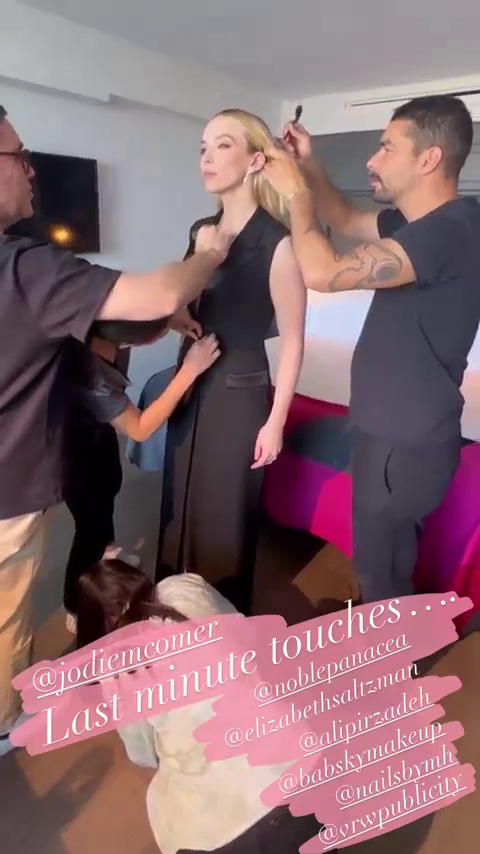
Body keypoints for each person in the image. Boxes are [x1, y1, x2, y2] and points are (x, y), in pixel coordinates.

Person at [0, 103, 231, 752]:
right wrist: (206, 257)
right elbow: (143, 419)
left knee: (90, 535)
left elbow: (140, 318)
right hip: (22, 490)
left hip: (62, 475)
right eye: (19, 156)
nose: (31, 170)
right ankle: (8, 717)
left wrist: (166, 321)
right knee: (17, 605)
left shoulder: (63, 328)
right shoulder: (31, 274)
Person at [262, 94, 480, 604]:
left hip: (403, 439)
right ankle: (382, 627)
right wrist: (309, 165)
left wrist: (295, 193)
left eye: (386, 147)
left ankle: (388, 649)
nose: (371, 159)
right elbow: (342, 216)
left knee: (382, 576)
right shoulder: (418, 226)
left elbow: (323, 272)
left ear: (429, 159)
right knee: (380, 562)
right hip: (390, 428)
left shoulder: (451, 230)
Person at [156, 108, 306, 614]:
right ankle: (169, 615)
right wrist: (180, 314)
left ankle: (222, 627)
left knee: (224, 515)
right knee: (178, 502)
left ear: (255, 160)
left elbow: (293, 338)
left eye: (222, 145)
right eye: (203, 147)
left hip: (239, 394)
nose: (207, 157)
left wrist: (276, 421)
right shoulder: (202, 231)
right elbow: (182, 301)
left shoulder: (277, 242)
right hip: (189, 380)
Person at [75, 560, 323, 854]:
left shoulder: (117, 672)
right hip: (304, 768)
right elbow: (246, 635)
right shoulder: (185, 588)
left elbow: (143, 755)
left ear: (104, 621)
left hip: (226, 831)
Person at [63, 318, 220, 626]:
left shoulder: (101, 339)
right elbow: (140, 428)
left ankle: (106, 561)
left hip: (94, 440)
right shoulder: (90, 375)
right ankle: (76, 605)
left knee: (104, 504)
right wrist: (191, 370)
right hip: (75, 459)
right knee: (89, 529)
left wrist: (171, 321)